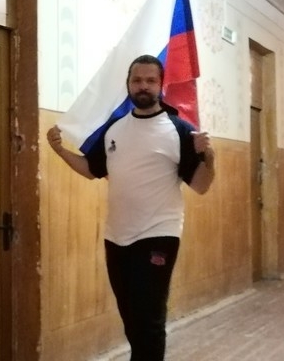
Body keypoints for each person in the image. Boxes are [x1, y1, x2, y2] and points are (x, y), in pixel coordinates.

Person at [47, 54, 215, 361]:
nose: (143, 86)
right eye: (137, 80)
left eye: (150, 80)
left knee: (149, 320)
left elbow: (201, 185)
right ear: (128, 84)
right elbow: (91, 169)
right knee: (131, 318)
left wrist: (209, 157)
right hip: (116, 237)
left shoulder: (179, 130)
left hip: (159, 234)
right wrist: (59, 151)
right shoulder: (114, 129)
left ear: (161, 85)